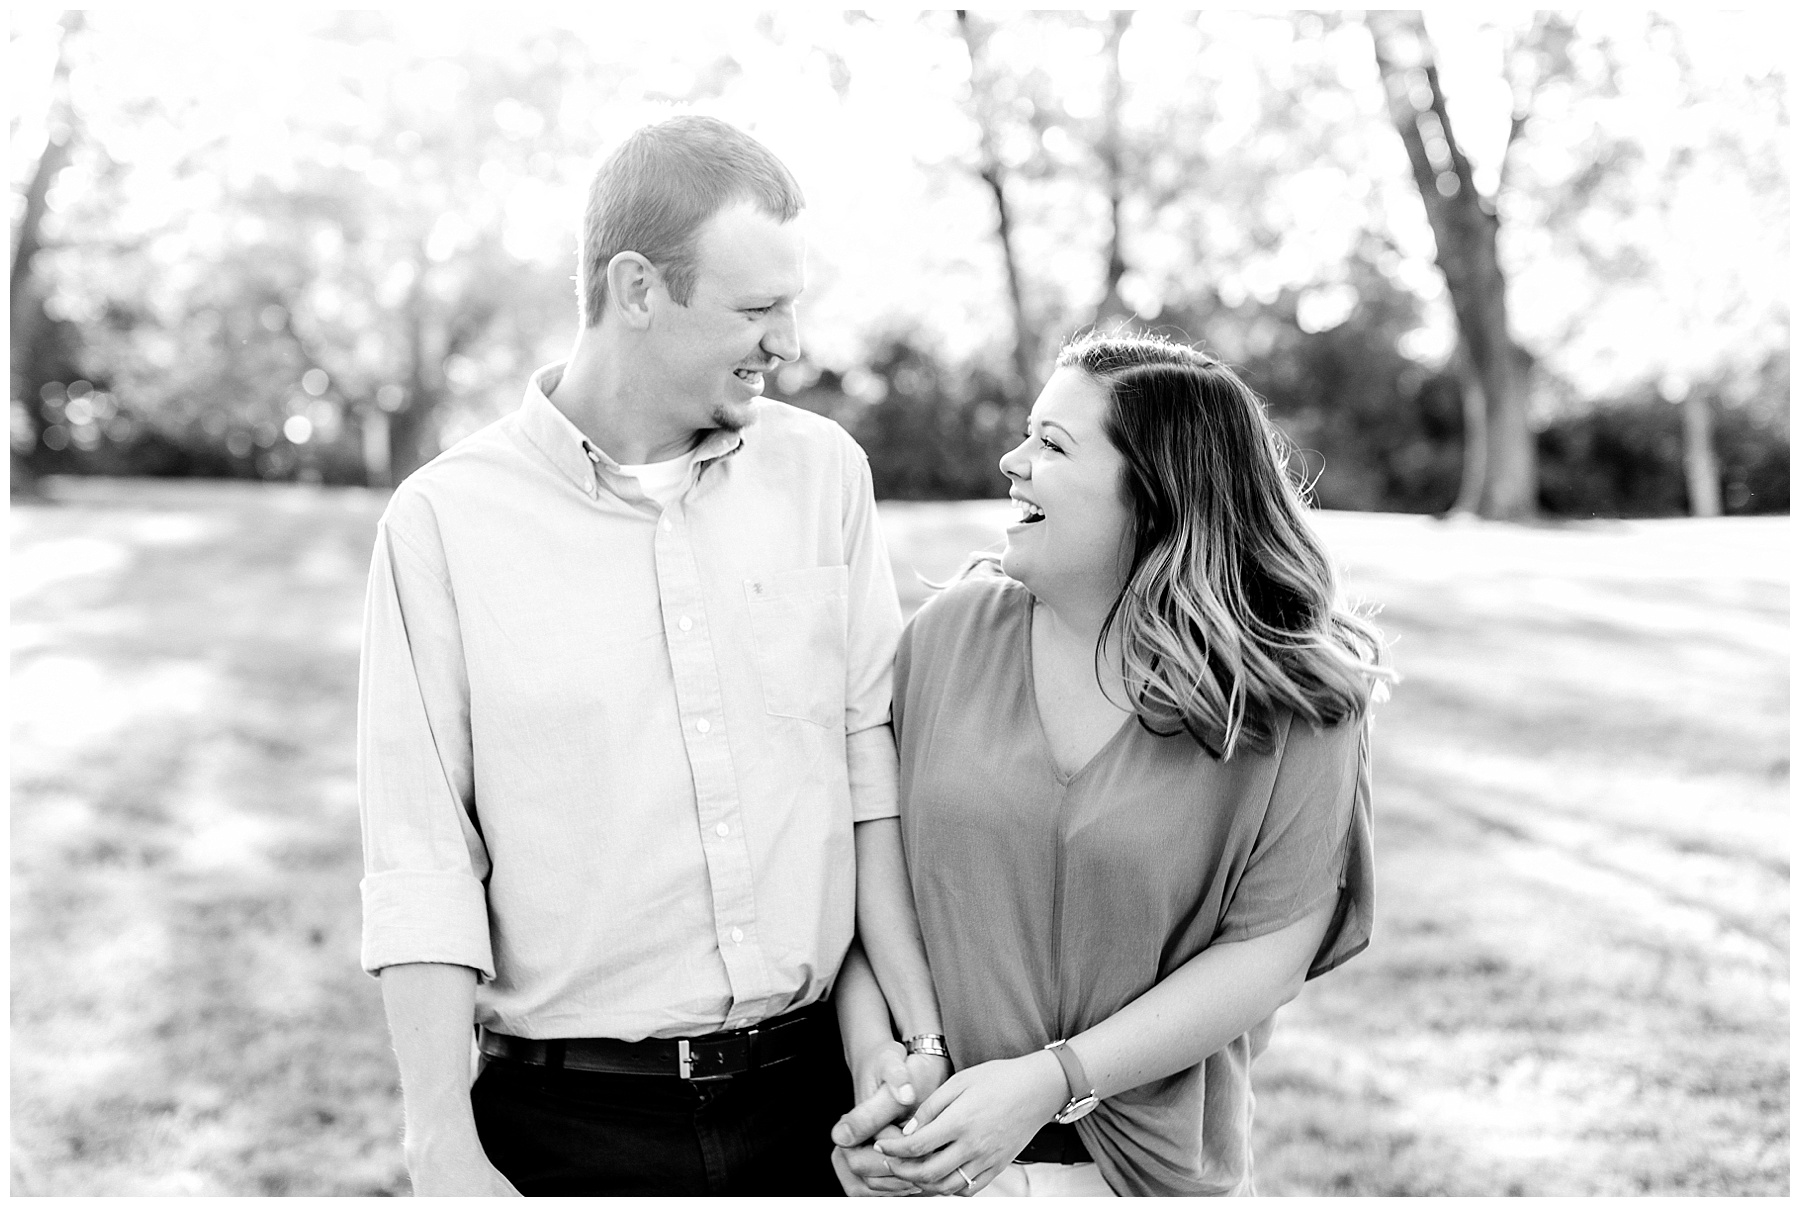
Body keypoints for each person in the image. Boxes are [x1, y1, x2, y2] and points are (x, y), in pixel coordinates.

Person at [356, 114, 946, 1197]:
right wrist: (442, 1146)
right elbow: (421, 857)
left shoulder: (824, 476)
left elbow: (869, 777)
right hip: (568, 1128)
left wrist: (896, 1045)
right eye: (757, 309)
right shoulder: (443, 523)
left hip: (817, 1108)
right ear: (637, 289)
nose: (789, 342)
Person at [829, 331, 1389, 1196]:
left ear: (1155, 495)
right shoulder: (945, 639)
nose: (1012, 460)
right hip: (929, 1162)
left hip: (1139, 1179)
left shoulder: (1295, 702)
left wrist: (1053, 1080)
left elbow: (1268, 955)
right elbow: (873, 879)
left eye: (1052, 445)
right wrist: (882, 1055)